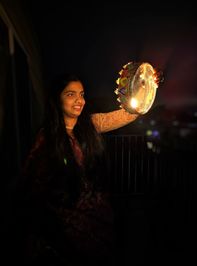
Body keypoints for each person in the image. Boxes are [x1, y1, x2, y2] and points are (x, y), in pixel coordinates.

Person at [13, 73, 139, 265]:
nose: (79, 100)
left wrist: (146, 85)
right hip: (68, 224)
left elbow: (128, 113)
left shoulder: (90, 125)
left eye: (81, 94)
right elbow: (32, 184)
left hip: (98, 217)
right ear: (57, 99)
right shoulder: (47, 138)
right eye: (70, 94)